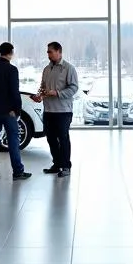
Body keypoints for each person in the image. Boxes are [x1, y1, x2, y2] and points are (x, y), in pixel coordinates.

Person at [0, 42, 32, 181]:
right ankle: (18, 172)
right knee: (13, 141)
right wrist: (17, 110)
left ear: (0, 52)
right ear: (11, 53)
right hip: (9, 112)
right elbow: (15, 93)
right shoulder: (12, 70)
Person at [35, 41, 79, 177]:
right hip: (48, 111)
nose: (48, 54)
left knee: (63, 138)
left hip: (63, 111)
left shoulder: (69, 68)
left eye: (50, 52)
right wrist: (40, 95)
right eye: (47, 52)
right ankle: (57, 164)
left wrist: (58, 93)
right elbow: (42, 86)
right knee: (51, 139)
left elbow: (74, 88)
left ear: (59, 52)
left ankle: (66, 166)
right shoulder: (46, 69)